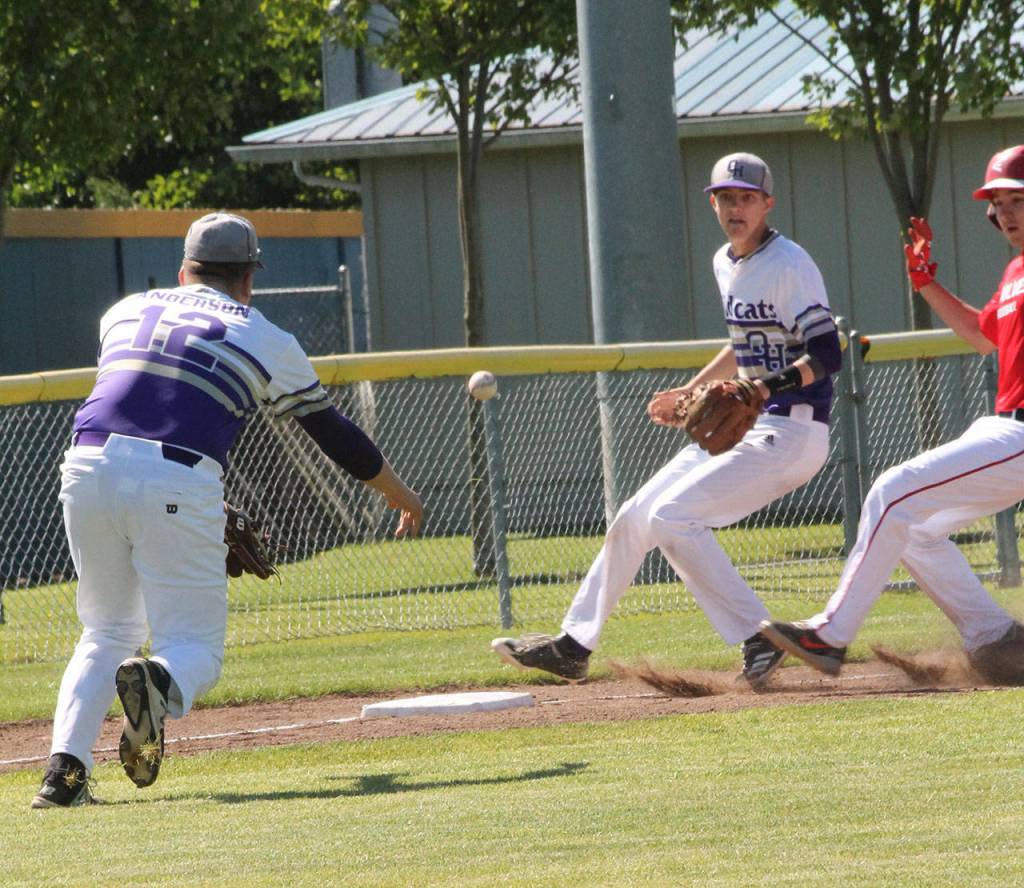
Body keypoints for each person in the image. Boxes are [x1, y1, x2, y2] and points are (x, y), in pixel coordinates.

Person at [31, 213, 423, 808]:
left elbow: (140, 399)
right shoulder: (266, 336)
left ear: (183, 269)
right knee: (195, 648)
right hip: (178, 477)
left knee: (107, 630)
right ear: (248, 280)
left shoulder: (125, 311)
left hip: (86, 468)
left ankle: (63, 779)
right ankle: (159, 681)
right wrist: (397, 491)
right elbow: (331, 431)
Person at [491, 152, 842, 689]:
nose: (735, 207)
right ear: (713, 204)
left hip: (793, 430)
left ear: (768, 204)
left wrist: (763, 386)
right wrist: (693, 388)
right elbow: (742, 345)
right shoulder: (726, 262)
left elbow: (827, 354)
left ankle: (757, 636)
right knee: (636, 515)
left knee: (673, 517)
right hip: (752, 427)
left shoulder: (790, 264)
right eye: (725, 197)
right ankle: (573, 645)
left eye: (746, 197)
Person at [761, 145, 1024, 679]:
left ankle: (830, 636)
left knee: (890, 492)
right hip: (1004, 428)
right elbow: (982, 335)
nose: (1006, 212)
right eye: (998, 201)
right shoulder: (1017, 269)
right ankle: (999, 640)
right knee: (913, 526)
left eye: (1016, 198)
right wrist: (926, 281)